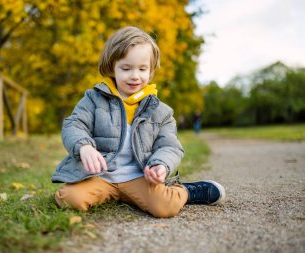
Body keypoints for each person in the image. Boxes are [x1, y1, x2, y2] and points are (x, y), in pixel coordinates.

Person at [51, 26, 225, 218]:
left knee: (165, 207)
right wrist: (84, 147)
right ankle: (116, 195)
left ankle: (186, 191)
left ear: (151, 71)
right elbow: (73, 125)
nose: (135, 75)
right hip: (99, 177)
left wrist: (161, 165)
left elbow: (170, 146)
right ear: (112, 67)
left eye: (143, 69)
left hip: (138, 176)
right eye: (126, 68)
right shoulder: (94, 99)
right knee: (68, 198)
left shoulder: (161, 111)